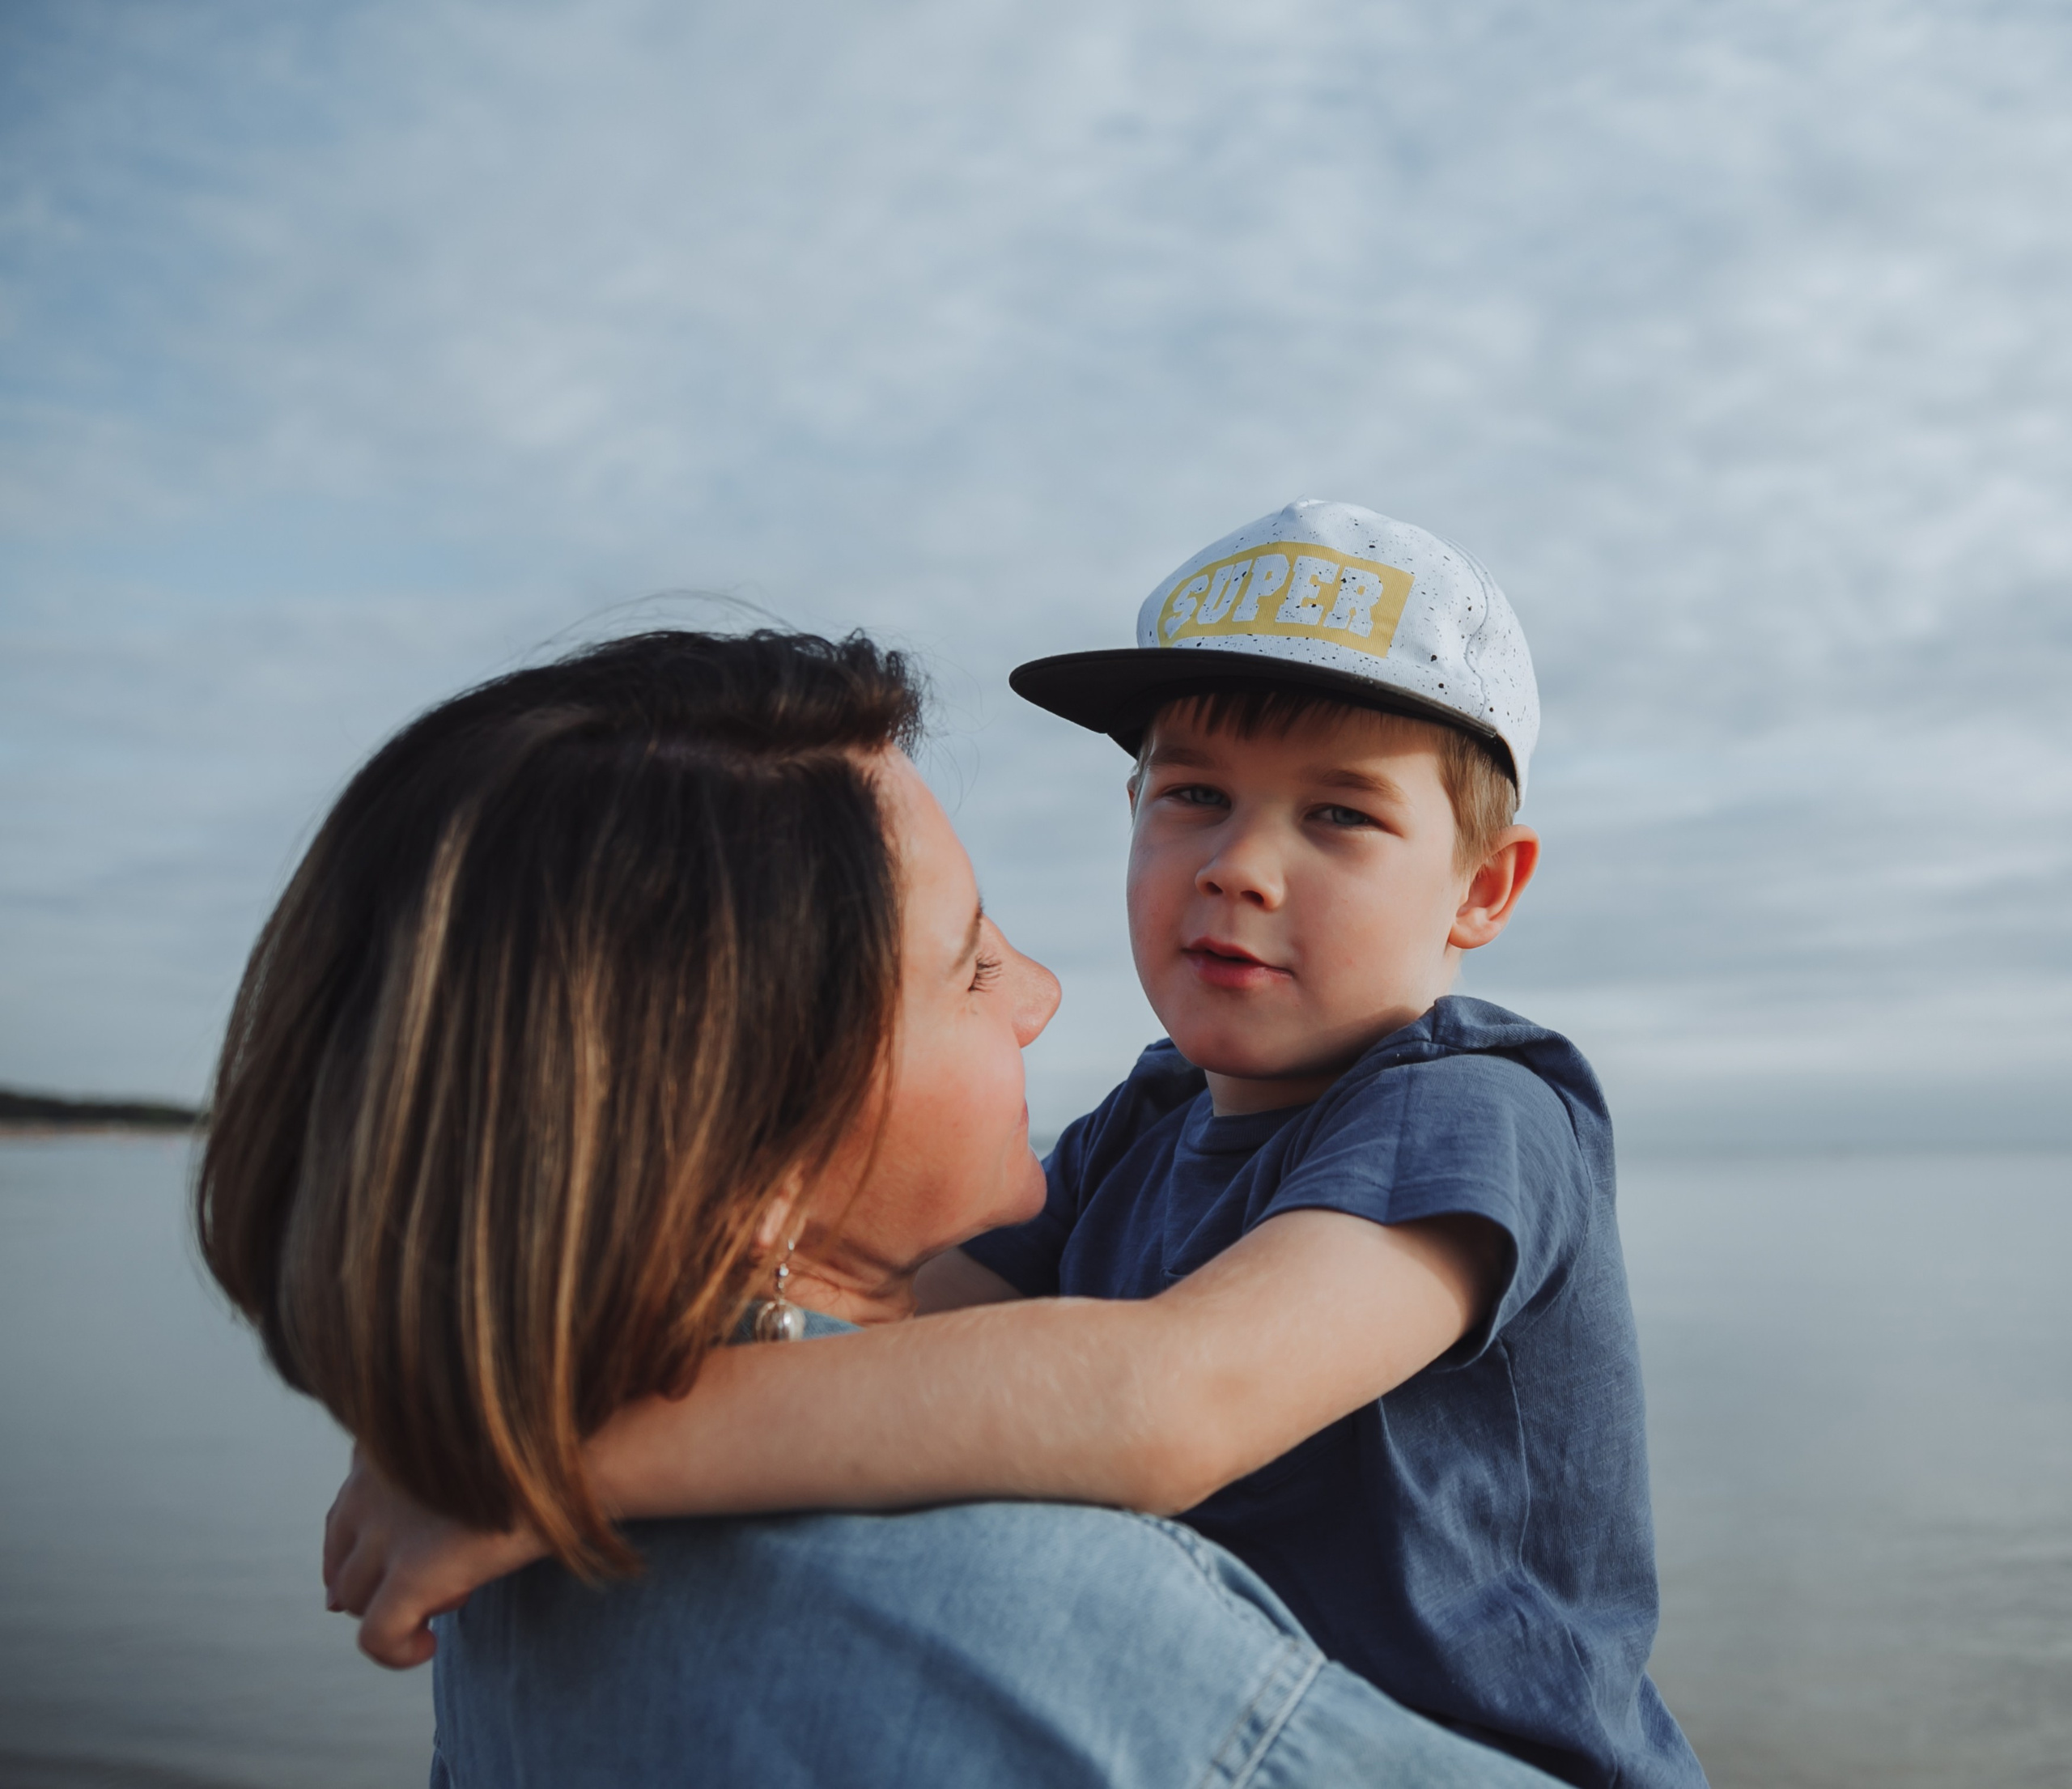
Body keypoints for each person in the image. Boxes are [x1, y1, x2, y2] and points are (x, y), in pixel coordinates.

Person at [330, 506, 1705, 1789]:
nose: (1240, 862)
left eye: (1339, 814)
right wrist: (498, 1394)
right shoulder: (1145, 1123)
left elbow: (1176, 1402)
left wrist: (562, 1462)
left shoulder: (1472, 1107)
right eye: (1193, 795)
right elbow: (879, 1335)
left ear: (1485, 886)